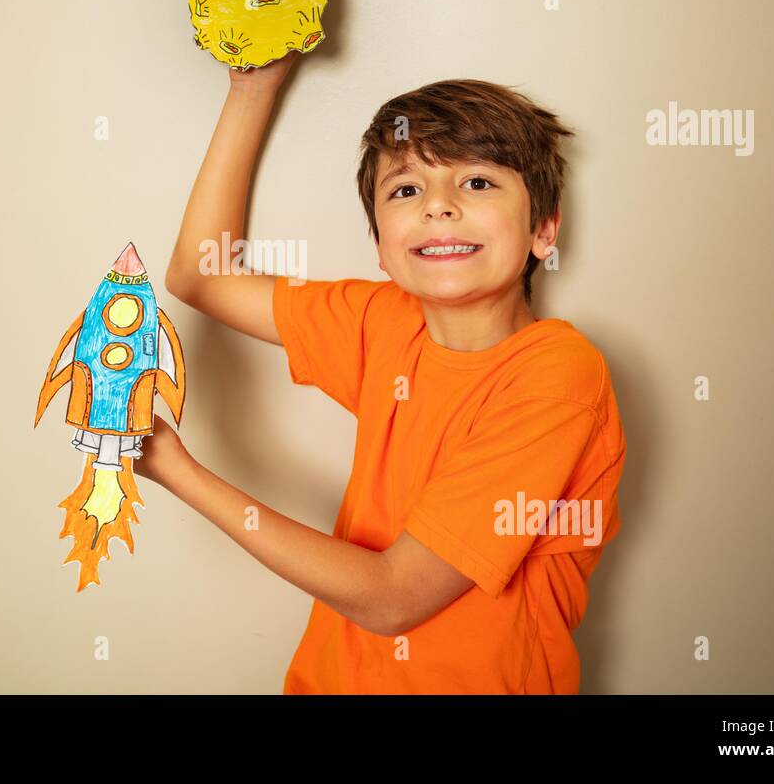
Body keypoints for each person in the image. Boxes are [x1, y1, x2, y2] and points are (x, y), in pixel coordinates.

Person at [140, 50, 626, 693]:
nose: (439, 206)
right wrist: (252, 90)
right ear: (380, 244)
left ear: (543, 229)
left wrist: (176, 469)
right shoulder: (384, 322)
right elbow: (200, 276)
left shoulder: (558, 377)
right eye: (405, 189)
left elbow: (393, 598)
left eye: (477, 182)